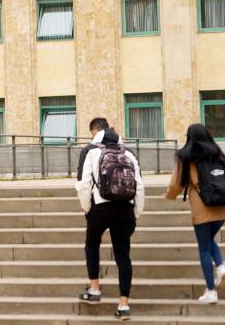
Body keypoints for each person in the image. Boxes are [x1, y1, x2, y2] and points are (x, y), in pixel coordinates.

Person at [75, 128, 145, 321]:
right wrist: (136, 213)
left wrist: (87, 208)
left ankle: (94, 289)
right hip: (125, 208)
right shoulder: (129, 154)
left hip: (100, 207)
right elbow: (139, 186)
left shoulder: (92, 153)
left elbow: (84, 184)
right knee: (123, 255)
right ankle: (124, 305)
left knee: (92, 244)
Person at [165, 123, 225, 304]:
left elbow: (176, 183)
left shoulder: (186, 157)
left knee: (204, 247)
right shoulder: (219, 153)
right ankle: (221, 267)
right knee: (209, 240)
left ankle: (211, 290)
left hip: (202, 206)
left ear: (189, 137)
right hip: (223, 204)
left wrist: (169, 196)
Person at [77, 117, 110, 181]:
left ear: (94, 131)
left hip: (97, 186)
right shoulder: (123, 149)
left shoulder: (88, 150)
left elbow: (81, 177)